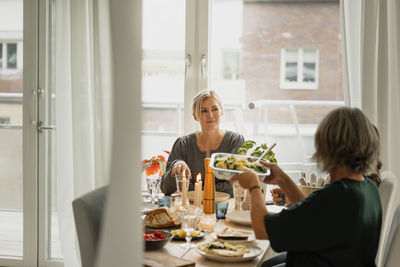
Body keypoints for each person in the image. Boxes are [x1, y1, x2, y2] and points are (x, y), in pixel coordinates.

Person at [231, 107, 382, 267]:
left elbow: (262, 228)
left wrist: (254, 185)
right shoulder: (368, 189)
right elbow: (311, 213)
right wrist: (282, 179)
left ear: (328, 147)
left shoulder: (336, 197)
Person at [161, 89, 244, 196]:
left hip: (225, 207)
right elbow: (166, 189)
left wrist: (195, 189)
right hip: (191, 208)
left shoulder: (235, 141)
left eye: (214, 109)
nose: (210, 115)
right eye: (204, 111)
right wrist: (175, 167)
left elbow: (237, 184)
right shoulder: (182, 144)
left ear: (222, 111)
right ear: (195, 116)